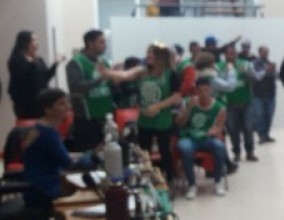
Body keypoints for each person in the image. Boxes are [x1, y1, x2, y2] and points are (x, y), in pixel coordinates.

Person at [101, 43, 182, 183]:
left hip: (163, 120)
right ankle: (145, 181)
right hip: (145, 120)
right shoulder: (142, 71)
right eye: (148, 52)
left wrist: (157, 106)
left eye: (153, 53)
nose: (149, 55)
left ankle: (168, 180)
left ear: (161, 56)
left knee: (165, 151)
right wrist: (107, 72)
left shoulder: (170, 73)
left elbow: (177, 96)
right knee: (143, 152)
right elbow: (125, 75)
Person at [20, 88, 75, 208]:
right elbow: (67, 162)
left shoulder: (43, 128)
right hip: (44, 189)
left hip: (40, 185)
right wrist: (90, 158)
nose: (68, 106)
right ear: (48, 110)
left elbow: (62, 156)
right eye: (62, 103)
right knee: (87, 193)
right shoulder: (47, 133)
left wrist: (86, 156)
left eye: (67, 102)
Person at [176, 78, 228, 198]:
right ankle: (192, 185)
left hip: (207, 138)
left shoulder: (219, 107)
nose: (204, 94)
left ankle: (218, 182)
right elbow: (179, 124)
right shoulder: (187, 102)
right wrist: (188, 109)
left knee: (220, 147)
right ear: (196, 91)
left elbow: (219, 127)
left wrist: (214, 131)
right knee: (186, 149)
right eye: (200, 91)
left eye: (206, 90)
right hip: (189, 136)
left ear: (211, 90)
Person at [66, 30, 114, 152]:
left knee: (108, 154)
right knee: (88, 156)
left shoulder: (104, 62)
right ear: (90, 43)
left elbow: (109, 87)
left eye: (105, 42)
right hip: (86, 118)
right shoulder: (76, 62)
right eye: (101, 42)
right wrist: (98, 80)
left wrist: (116, 80)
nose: (105, 45)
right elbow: (76, 87)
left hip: (105, 117)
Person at [7, 31, 64, 119]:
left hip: (40, 100)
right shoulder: (16, 59)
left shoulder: (38, 59)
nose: (37, 43)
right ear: (26, 42)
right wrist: (31, 63)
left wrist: (56, 63)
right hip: (26, 103)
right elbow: (24, 79)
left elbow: (45, 77)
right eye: (34, 40)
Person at [218, 45, 258, 162]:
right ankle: (236, 152)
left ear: (236, 54)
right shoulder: (220, 67)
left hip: (246, 102)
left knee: (248, 127)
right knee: (232, 128)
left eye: (233, 53)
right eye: (228, 53)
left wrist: (247, 75)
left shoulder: (245, 64)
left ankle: (250, 152)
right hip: (229, 103)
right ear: (225, 55)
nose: (231, 55)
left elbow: (255, 80)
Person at [252, 46, 277, 143]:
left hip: (270, 94)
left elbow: (276, 76)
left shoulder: (270, 63)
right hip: (258, 94)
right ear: (259, 52)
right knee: (259, 115)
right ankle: (261, 135)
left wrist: (273, 71)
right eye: (264, 52)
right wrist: (266, 70)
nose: (266, 54)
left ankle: (266, 134)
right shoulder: (254, 64)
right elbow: (255, 76)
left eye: (267, 52)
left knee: (269, 115)